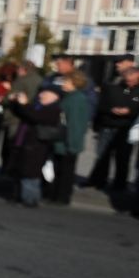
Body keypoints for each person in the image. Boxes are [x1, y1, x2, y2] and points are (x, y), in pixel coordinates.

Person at [83, 59, 139, 195]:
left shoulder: (135, 91)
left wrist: (130, 111)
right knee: (102, 155)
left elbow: (134, 104)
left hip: (126, 128)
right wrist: (111, 110)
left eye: (133, 80)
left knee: (123, 158)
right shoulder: (116, 86)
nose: (129, 82)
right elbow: (102, 104)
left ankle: (119, 184)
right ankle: (98, 180)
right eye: (128, 80)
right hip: (108, 125)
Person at [5, 85, 64, 208]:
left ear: (55, 96)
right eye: (41, 93)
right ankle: (19, 197)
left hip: (36, 146)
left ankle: (30, 199)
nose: (41, 95)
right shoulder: (38, 106)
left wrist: (24, 104)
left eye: (45, 93)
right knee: (21, 171)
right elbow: (23, 113)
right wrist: (14, 103)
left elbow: (34, 116)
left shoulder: (53, 110)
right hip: (24, 143)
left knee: (30, 174)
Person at [47, 71, 93, 206]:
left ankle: (62, 197)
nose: (63, 83)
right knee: (58, 170)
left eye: (66, 81)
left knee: (65, 171)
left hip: (68, 142)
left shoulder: (77, 99)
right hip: (63, 141)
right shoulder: (70, 97)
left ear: (75, 83)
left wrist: (72, 145)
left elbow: (76, 125)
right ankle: (55, 195)